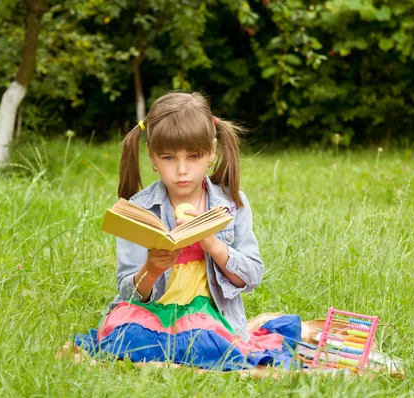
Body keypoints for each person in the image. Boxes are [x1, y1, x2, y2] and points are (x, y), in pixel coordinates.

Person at [72, 92, 311, 371]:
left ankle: (198, 349)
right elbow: (128, 292)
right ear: (152, 156)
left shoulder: (232, 204)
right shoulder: (140, 210)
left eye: (194, 156)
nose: (182, 170)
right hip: (152, 313)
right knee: (123, 334)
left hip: (205, 314)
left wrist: (213, 244)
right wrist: (150, 269)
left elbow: (252, 275)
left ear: (211, 152)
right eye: (169, 157)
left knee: (207, 342)